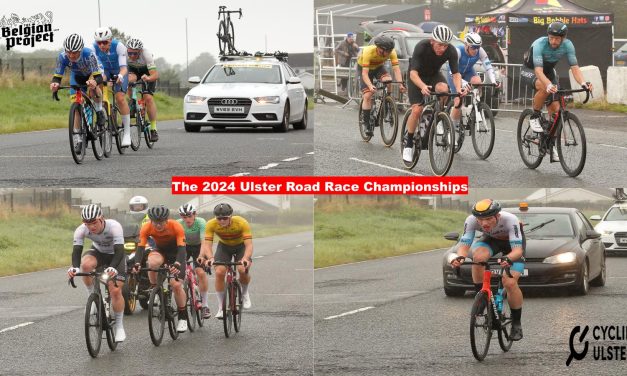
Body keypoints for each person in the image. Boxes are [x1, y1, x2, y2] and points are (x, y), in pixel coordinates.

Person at [450, 199, 525, 341]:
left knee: (509, 282)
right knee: (478, 257)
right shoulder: (471, 220)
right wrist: (460, 257)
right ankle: (482, 297)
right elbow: (465, 244)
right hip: (491, 241)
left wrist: (508, 259)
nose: (484, 224)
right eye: (480, 219)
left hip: (512, 246)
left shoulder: (510, 220)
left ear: (498, 216)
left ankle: (516, 323)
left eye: (489, 219)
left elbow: (517, 251)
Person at [520, 21, 592, 160]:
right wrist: (547, 85)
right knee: (544, 87)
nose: (553, 41)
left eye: (557, 39)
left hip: (548, 72)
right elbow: (539, 71)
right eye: (551, 37)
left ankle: (549, 144)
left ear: (563, 38)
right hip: (531, 70)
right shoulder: (539, 44)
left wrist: (583, 83)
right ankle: (535, 116)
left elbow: (575, 67)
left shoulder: (568, 45)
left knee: (556, 110)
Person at [403, 25, 465, 162]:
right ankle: (408, 144)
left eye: (445, 45)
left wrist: (459, 89)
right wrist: (423, 86)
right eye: (439, 45)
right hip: (417, 77)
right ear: (432, 41)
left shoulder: (451, 51)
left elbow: (456, 74)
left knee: (444, 89)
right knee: (417, 109)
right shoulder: (422, 46)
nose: (442, 49)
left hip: (433, 75)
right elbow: (413, 73)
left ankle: (439, 117)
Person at [67, 204, 128, 342]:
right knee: (85, 265)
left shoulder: (114, 226)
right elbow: (76, 251)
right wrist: (75, 268)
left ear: (102, 218)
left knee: (115, 291)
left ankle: (119, 326)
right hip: (98, 253)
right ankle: (92, 296)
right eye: (88, 224)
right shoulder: (81, 230)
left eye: (94, 223)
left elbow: (119, 251)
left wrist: (112, 267)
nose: (91, 227)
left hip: (115, 255)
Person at [132, 205, 189, 333]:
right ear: (151, 220)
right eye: (155, 222)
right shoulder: (146, 226)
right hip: (160, 250)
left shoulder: (175, 226)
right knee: (151, 262)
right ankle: (154, 287)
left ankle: (182, 316)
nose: (158, 225)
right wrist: (137, 264)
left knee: (175, 285)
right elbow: (140, 248)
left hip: (176, 253)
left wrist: (178, 264)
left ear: (167, 219)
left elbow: (181, 249)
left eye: (161, 222)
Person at [50, 34, 106, 154]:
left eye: (74, 52)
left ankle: (99, 109)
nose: (71, 55)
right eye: (69, 52)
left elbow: (99, 77)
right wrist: (54, 84)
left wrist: (94, 82)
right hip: (77, 76)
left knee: (92, 88)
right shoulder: (62, 57)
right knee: (76, 107)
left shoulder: (89, 54)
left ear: (80, 50)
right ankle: (78, 139)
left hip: (93, 72)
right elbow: (57, 76)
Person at [198, 203, 253, 319]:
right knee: (219, 272)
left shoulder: (241, 222)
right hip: (224, 247)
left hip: (241, 246)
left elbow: (249, 245)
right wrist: (211, 258)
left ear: (230, 216)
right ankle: (221, 308)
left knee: (242, 269)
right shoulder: (211, 224)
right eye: (219, 218)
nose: (222, 221)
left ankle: (245, 292)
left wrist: (246, 258)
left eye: (225, 218)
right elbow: (207, 245)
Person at [447, 32, 499, 132]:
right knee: (458, 100)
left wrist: (494, 80)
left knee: (477, 80)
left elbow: (488, 67)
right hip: (454, 74)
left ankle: (476, 103)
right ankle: (452, 126)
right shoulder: (458, 51)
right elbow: (452, 73)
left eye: (478, 47)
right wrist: (462, 83)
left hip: (468, 72)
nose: (476, 50)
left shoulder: (480, 51)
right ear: (466, 45)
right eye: (473, 47)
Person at [356, 35, 406, 137]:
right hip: (364, 70)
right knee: (368, 95)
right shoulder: (368, 52)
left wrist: (401, 83)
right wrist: (370, 86)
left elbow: (396, 69)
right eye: (386, 51)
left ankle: (387, 102)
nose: (387, 54)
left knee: (388, 80)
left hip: (378, 67)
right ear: (379, 48)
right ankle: (366, 124)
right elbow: (365, 74)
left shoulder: (392, 52)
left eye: (389, 51)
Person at [93, 27, 132, 147]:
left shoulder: (119, 46)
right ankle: (101, 109)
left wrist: (120, 76)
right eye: (99, 42)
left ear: (110, 40)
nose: (101, 45)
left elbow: (124, 68)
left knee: (120, 98)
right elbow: (97, 68)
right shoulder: (93, 48)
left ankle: (127, 133)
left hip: (120, 71)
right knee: (97, 85)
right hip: (105, 71)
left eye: (104, 42)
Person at [177, 203, 211, 319]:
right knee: (178, 272)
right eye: (184, 216)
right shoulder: (179, 224)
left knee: (200, 272)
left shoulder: (201, 222)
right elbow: (177, 243)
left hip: (199, 247)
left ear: (195, 214)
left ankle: (205, 305)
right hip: (185, 247)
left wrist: (201, 256)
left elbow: (204, 242)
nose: (187, 219)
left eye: (189, 216)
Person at [126, 37, 160, 142]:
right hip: (133, 71)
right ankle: (132, 101)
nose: (132, 56)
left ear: (140, 51)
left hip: (147, 72)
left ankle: (153, 129)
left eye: (135, 54)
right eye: (130, 53)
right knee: (129, 80)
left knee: (148, 98)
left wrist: (148, 78)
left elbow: (155, 74)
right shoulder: (124, 54)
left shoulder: (146, 54)